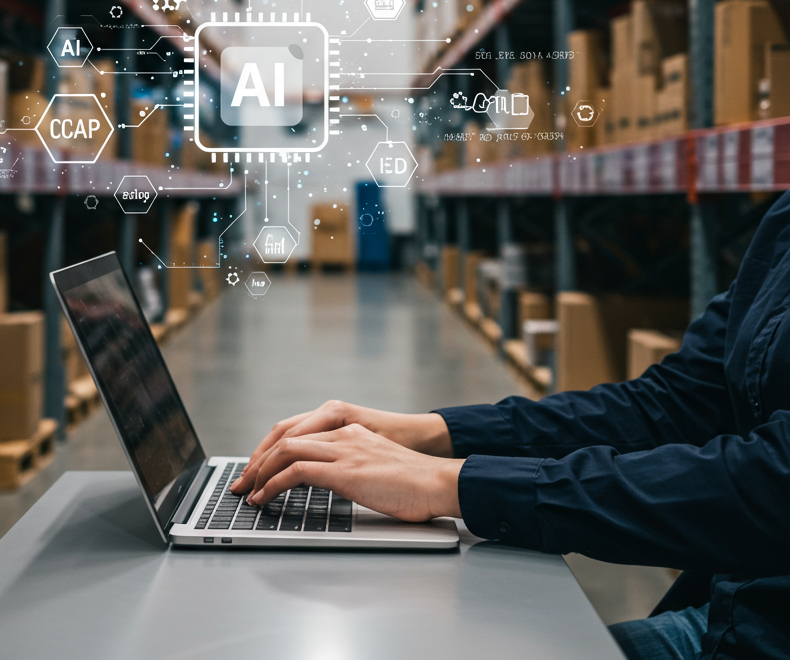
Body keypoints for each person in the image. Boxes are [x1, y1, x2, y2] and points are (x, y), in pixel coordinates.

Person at [231, 190, 790, 660]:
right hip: (740, 600)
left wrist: (452, 483)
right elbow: (670, 405)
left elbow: (773, 483)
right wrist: (425, 432)